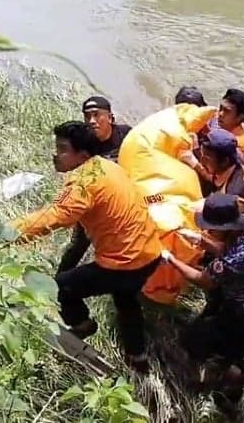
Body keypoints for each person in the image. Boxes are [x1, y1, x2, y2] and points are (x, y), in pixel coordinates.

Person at [9, 121, 162, 370]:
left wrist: (8, 233)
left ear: (82, 155)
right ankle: (138, 356)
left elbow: (56, 216)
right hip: (150, 254)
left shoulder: (82, 182)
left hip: (124, 263)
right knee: (126, 300)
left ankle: (82, 325)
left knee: (60, 288)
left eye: (62, 149)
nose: (55, 155)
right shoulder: (106, 166)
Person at [162, 193, 244, 401]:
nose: (206, 231)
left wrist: (171, 259)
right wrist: (201, 241)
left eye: (211, 228)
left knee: (199, 343)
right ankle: (232, 361)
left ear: (225, 228)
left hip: (243, 312)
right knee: (236, 343)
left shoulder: (233, 262)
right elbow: (228, 247)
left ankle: (227, 395)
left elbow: (203, 280)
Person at [57, 96, 133, 274]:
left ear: (110, 118)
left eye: (96, 115)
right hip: (93, 201)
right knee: (78, 245)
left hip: (121, 200)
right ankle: (59, 281)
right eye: (87, 116)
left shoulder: (127, 135)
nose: (91, 121)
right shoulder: (84, 143)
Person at [198, 128, 244, 223]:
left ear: (224, 161)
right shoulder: (230, 165)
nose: (201, 161)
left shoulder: (235, 194)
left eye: (207, 158)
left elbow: (224, 227)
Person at [216, 88, 244, 171]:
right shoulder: (226, 130)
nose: (220, 114)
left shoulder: (240, 145)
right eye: (221, 108)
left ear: (239, 117)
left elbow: (225, 176)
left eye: (227, 111)